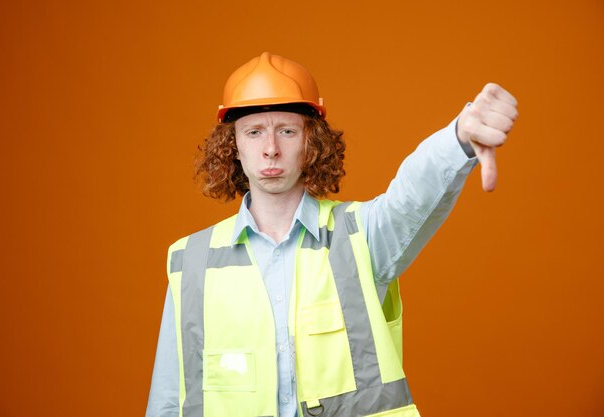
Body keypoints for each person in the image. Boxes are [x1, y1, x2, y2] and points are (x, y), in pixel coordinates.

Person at [146, 52, 518, 417]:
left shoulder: (361, 236)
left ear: (311, 142)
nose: (271, 149)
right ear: (234, 146)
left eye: (287, 131)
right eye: (254, 132)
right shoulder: (190, 260)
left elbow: (410, 197)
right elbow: (166, 400)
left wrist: (458, 140)